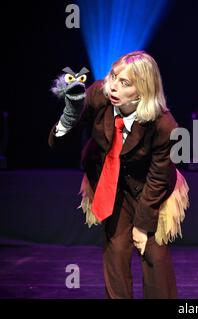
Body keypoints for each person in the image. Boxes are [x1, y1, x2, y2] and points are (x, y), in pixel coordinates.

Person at [48, 51, 189, 299]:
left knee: (153, 253)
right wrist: (69, 117)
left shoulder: (164, 125)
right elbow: (59, 145)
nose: (113, 86)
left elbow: (157, 178)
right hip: (107, 179)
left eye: (125, 83)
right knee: (116, 249)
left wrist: (142, 227)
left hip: (148, 187)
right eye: (114, 76)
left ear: (142, 90)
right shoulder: (98, 94)